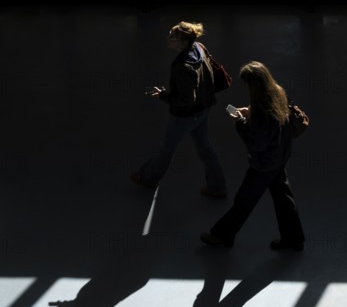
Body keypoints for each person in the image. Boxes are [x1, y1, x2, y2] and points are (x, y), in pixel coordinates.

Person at [200, 61, 305, 250]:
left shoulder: (263, 111)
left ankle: (222, 235)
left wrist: (240, 122)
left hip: (264, 164)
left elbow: (257, 144)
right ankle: (294, 239)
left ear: (253, 84)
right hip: (280, 156)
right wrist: (249, 112)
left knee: (244, 200)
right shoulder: (278, 92)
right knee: (284, 199)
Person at [130, 21, 227, 198]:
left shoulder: (182, 67)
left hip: (186, 116)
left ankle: (148, 178)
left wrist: (163, 96)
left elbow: (185, 100)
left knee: (166, 149)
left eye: (172, 37)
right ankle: (217, 186)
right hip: (204, 107)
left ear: (182, 41)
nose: (169, 38)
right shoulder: (198, 47)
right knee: (206, 149)